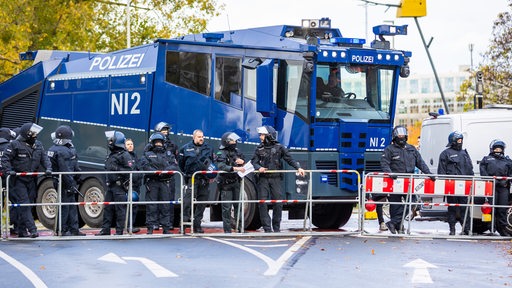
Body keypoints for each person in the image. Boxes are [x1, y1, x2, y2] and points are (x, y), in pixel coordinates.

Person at [1, 123, 52, 238]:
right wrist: (9, 171)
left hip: (32, 179)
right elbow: (5, 159)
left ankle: (21, 229)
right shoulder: (14, 144)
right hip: (18, 180)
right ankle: (33, 230)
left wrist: (48, 168)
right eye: (33, 133)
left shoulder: (38, 145)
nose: (35, 135)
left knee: (29, 203)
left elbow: (44, 158)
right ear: (27, 134)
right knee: (24, 204)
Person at [251, 125, 305, 233]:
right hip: (263, 179)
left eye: (262, 135)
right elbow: (254, 162)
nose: (260, 137)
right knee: (262, 203)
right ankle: (267, 228)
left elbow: (289, 159)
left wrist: (298, 168)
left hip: (275, 178)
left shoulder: (279, 147)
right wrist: (259, 168)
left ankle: (276, 227)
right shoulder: (259, 148)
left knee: (278, 203)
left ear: (269, 136)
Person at [381, 125, 432, 234]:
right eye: (399, 135)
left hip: (409, 181)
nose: (401, 137)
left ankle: (393, 222)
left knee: (413, 203)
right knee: (395, 205)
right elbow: (384, 163)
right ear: (395, 136)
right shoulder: (389, 149)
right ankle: (398, 226)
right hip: (395, 181)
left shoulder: (411, 149)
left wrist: (429, 173)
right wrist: (390, 173)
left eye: (403, 134)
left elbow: (420, 163)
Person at [47, 125, 85, 236]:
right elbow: (66, 170)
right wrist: (71, 184)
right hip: (65, 182)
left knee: (70, 205)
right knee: (66, 206)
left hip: (58, 181)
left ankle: (72, 228)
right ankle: (62, 229)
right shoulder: (64, 151)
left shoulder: (52, 149)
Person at [96, 130, 135, 236]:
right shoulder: (112, 155)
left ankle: (119, 231)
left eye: (111, 140)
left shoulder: (125, 155)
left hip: (119, 186)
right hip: (110, 186)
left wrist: (117, 168)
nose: (109, 142)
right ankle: (105, 230)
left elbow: (129, 171)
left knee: (120, 209)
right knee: (107, 208)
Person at [140, 132, 178, 234]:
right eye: (156, 142)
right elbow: (145, 166)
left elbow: (174, 166)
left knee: (165, 205)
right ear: (152, 143)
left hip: (165, 182)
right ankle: (150, 228)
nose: (158, 144)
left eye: (160, 142)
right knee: (152, 206)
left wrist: (164, 172)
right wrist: (157, 173)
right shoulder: (147, 154)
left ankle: (166, 228)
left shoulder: (168, 154)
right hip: (152, 183)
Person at [178, 129, 214, 233]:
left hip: (204, 179)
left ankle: (197, 225)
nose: (201, 138)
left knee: (202, 203)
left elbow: (212, 163)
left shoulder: (209, 148)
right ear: (194, 137)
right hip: (192, 179)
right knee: (187, 202)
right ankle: (183, 225)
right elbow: (181, 164)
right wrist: (188, 173)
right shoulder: (185, 148)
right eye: (199, 137)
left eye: (202, 136)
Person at [438, 131, 473, 235]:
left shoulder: (464, 153)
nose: (460, 142)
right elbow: (441, 171)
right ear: (453, 141)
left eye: (461, 140)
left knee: (465, 207)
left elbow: (469, 168)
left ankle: (466, 228)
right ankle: (452, 229)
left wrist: (471, 181)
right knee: (452, 207)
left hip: (464, 185)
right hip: (451, 185)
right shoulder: (445, 153)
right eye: (458, 140)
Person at [479, 139, 512, 236]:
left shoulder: (507, 161)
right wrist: (489, 180)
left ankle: (502, 229)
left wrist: (507, 181)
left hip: (503, 187)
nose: (498, 150)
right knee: (490, 208)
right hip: (491, 186)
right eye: (496, 148)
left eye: (499, 148)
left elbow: (511, 173)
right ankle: (491, 227)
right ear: (492, 149)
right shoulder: (486, 159)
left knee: (502, 208)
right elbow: (483, 172)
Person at [215, 132, 246, 233]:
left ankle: (240, 228)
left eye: (235, 140)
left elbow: (243, 161)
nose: (234, 142)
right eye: (232, 140)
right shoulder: (221, 152)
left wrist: (242, 161)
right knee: (226, 208)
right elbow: (221, 166)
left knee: (239, 206)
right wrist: (234, 168)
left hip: (236, 182)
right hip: (226, 184)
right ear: (226, 142)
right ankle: (227, 230)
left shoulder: (237, 151)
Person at [152, 121, 179, 230]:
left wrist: (167, 171)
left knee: (169, 200)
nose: (165, 132)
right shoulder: (151, 145)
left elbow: (175, 162)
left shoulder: (172, 145)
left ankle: (168, 222)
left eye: (166, 130)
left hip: (168, 177)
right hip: (156, 178)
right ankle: (155, 222)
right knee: (156, 200)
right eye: (163, 130)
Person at [125, 138, 142, 233]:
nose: (130, 146)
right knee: (128, 207)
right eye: (128, 144)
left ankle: (132, 225)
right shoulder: (124, 156)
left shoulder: (135, 156)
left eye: (131, 144)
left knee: (134, 206)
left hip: (136, 185)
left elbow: (139, 168)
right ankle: (127, 225)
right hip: (128, 185)